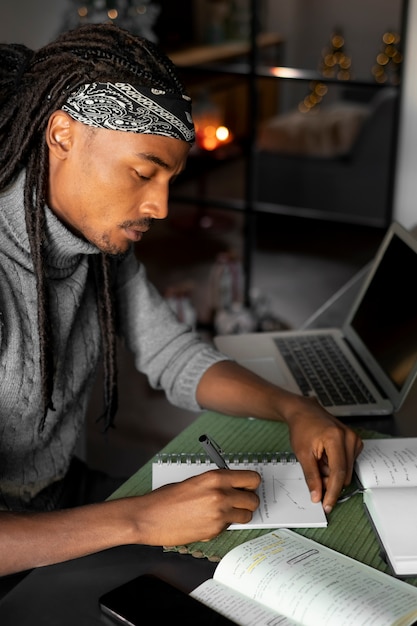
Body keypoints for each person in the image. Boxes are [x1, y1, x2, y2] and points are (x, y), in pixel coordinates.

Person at [0, 22, 362, 577]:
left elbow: (173, 354)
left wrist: (297, 409)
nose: (161, 207)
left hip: (62, 495)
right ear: (62, 135)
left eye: (169, 179)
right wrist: (140, 520)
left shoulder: (95, 244)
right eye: (144, 173)